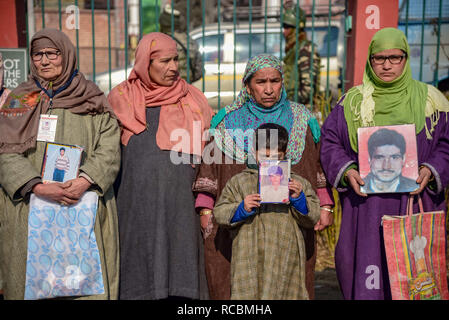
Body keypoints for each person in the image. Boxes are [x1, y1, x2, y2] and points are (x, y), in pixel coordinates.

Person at [320, 27, 449, 300]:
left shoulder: (432, 102)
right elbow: (330, 143)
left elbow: (446, 144)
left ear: (405, 59)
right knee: (368, 275)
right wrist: (347, 171)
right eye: (379, 58)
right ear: (370, 60)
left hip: (415, 204)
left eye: (395, 57)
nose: (387, 64)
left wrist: (431, 169)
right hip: (366, 208)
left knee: (414, 278)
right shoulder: (353, 103)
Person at [192, 53, 334, 300]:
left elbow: (315, 163)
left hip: (288, 227)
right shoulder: (226, 122)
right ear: (248, 85)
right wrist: (206, 210)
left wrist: (325, 205)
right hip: (240, 231)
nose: (269, 89)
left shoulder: (302, 118)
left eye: (275, 81)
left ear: (282, 82)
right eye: (260, 82)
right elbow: (210, 169)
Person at [0, 28, 121, 300]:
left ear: (65, 54)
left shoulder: (91, 98)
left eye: (52, 53)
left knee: (86, 283)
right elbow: (4, 151)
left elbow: (110, 145)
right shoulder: (21, 98)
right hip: (32, 207)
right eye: (37, 55)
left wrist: (84, 180)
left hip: (82, 203)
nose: (44, 61)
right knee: (32, 284)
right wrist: (37, 187)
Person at [107, 32, 214, 300]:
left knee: (182, 279)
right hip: (136, 206)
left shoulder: (193, 100)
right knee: (140, 276)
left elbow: (209, 157)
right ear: (145, 63)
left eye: (176, 59)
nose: (174, 67)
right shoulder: (121, 99)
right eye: (165, 61)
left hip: (181, 207)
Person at [214, 123, 320, 299]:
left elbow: (313, 215)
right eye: (265, 156)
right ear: (255, 153)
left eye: (276, 157)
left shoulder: (296, 183)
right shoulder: (239, 182)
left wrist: (298, 199)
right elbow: (220, 213)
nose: (270, 162)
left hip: (286, 255)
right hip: (249, 257)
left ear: (285, 155)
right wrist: (242, 208)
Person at [282, 6, 321, 110]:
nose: (283, 31)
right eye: (283, 26)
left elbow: (308, 90)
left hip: (303, 111)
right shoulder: (294, 49)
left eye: (287, 26)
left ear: (296, 29)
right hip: (293, 109)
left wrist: (286, 102)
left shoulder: (305, 49)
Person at [362, 128, 418, 193]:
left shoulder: (414, 187)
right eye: (379, 157)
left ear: (403, 159)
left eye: (394, 157)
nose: (386, 166)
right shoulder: (359, 187)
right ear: (370, 159)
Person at [159, 4, 203, 83]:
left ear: (164, 24)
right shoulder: (189, 40)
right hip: (187, 88)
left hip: (168, 90)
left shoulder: (162, 42)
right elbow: (199, 71)